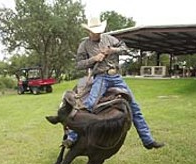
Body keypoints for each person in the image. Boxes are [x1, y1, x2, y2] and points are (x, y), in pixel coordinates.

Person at [63, 17, 165, 150]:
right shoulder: (84, 45)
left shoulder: (110, 39)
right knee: (89, 104)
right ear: (89, 32)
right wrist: (94, 59)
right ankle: (72, 137)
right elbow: (79, 64)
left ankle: (147, 140)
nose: (97, 34)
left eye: (99, 31)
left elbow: (125, 49)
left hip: (116, 77)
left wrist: (112, 50)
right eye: (95, 32)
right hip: (101, 78)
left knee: (134, 106)